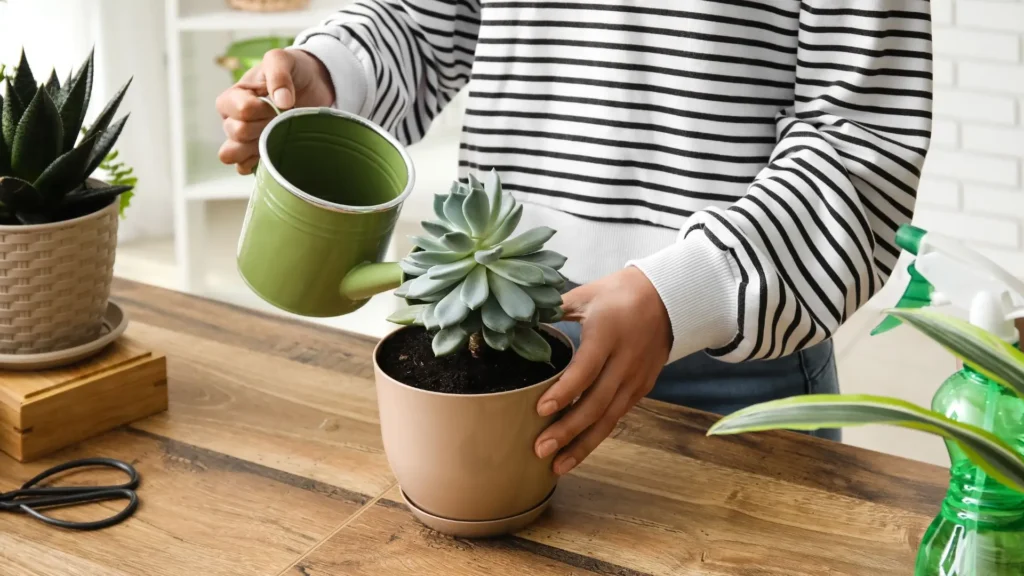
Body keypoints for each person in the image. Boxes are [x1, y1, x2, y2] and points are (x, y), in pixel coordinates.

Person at [216, 1, 933, 477]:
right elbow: (428, 17)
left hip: (729, 360)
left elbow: (865, 134)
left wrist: (685, 295)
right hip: (492, 333)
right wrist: (331, 73)